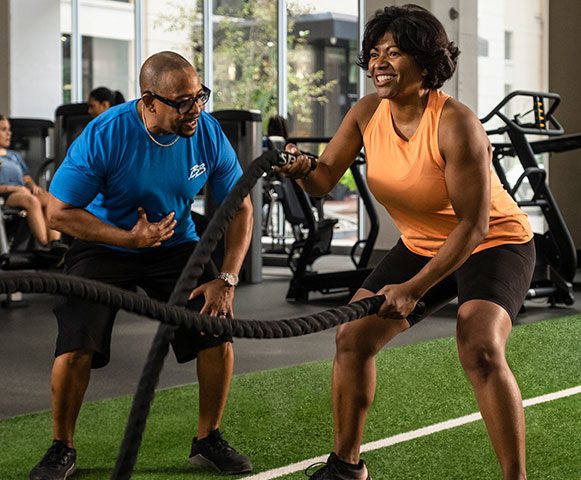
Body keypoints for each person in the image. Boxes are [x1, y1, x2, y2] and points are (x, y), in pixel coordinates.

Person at [276, 5, 534, 480]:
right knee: (352, 338)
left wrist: (414, 288)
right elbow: (325, 178)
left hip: (494, 241)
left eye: (394, 52)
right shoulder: (366, 112)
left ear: (424, 61)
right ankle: (346, 467)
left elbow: (473, 226)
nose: (379, 63)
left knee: (479, 346)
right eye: (375, 53)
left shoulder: (456, 124)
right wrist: (301, 168)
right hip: (422, 242)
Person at [29, 51, 254, 480]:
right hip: (104, 241)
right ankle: (61, 446)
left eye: (199, 96)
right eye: (183, 102)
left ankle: (208, 438)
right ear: (149, 101)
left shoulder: (205, 131)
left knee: (216, 331)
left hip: (175, 243)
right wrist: (129, 238)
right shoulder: (107, 134)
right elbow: (58, 213)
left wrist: (226, 278)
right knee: (77, 339)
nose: (196, 110)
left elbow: (240, 208)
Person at [0, 114, 64, 250]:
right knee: (32, 201)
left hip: (24, 192)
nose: (8, 134)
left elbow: (26, 178)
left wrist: (33, 186)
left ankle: (55, 243)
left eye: (9, 130)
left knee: (50, 198)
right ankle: (45, 245)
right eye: (3, 130)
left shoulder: (13, 156)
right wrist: (15, 189)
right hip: (6, 196)